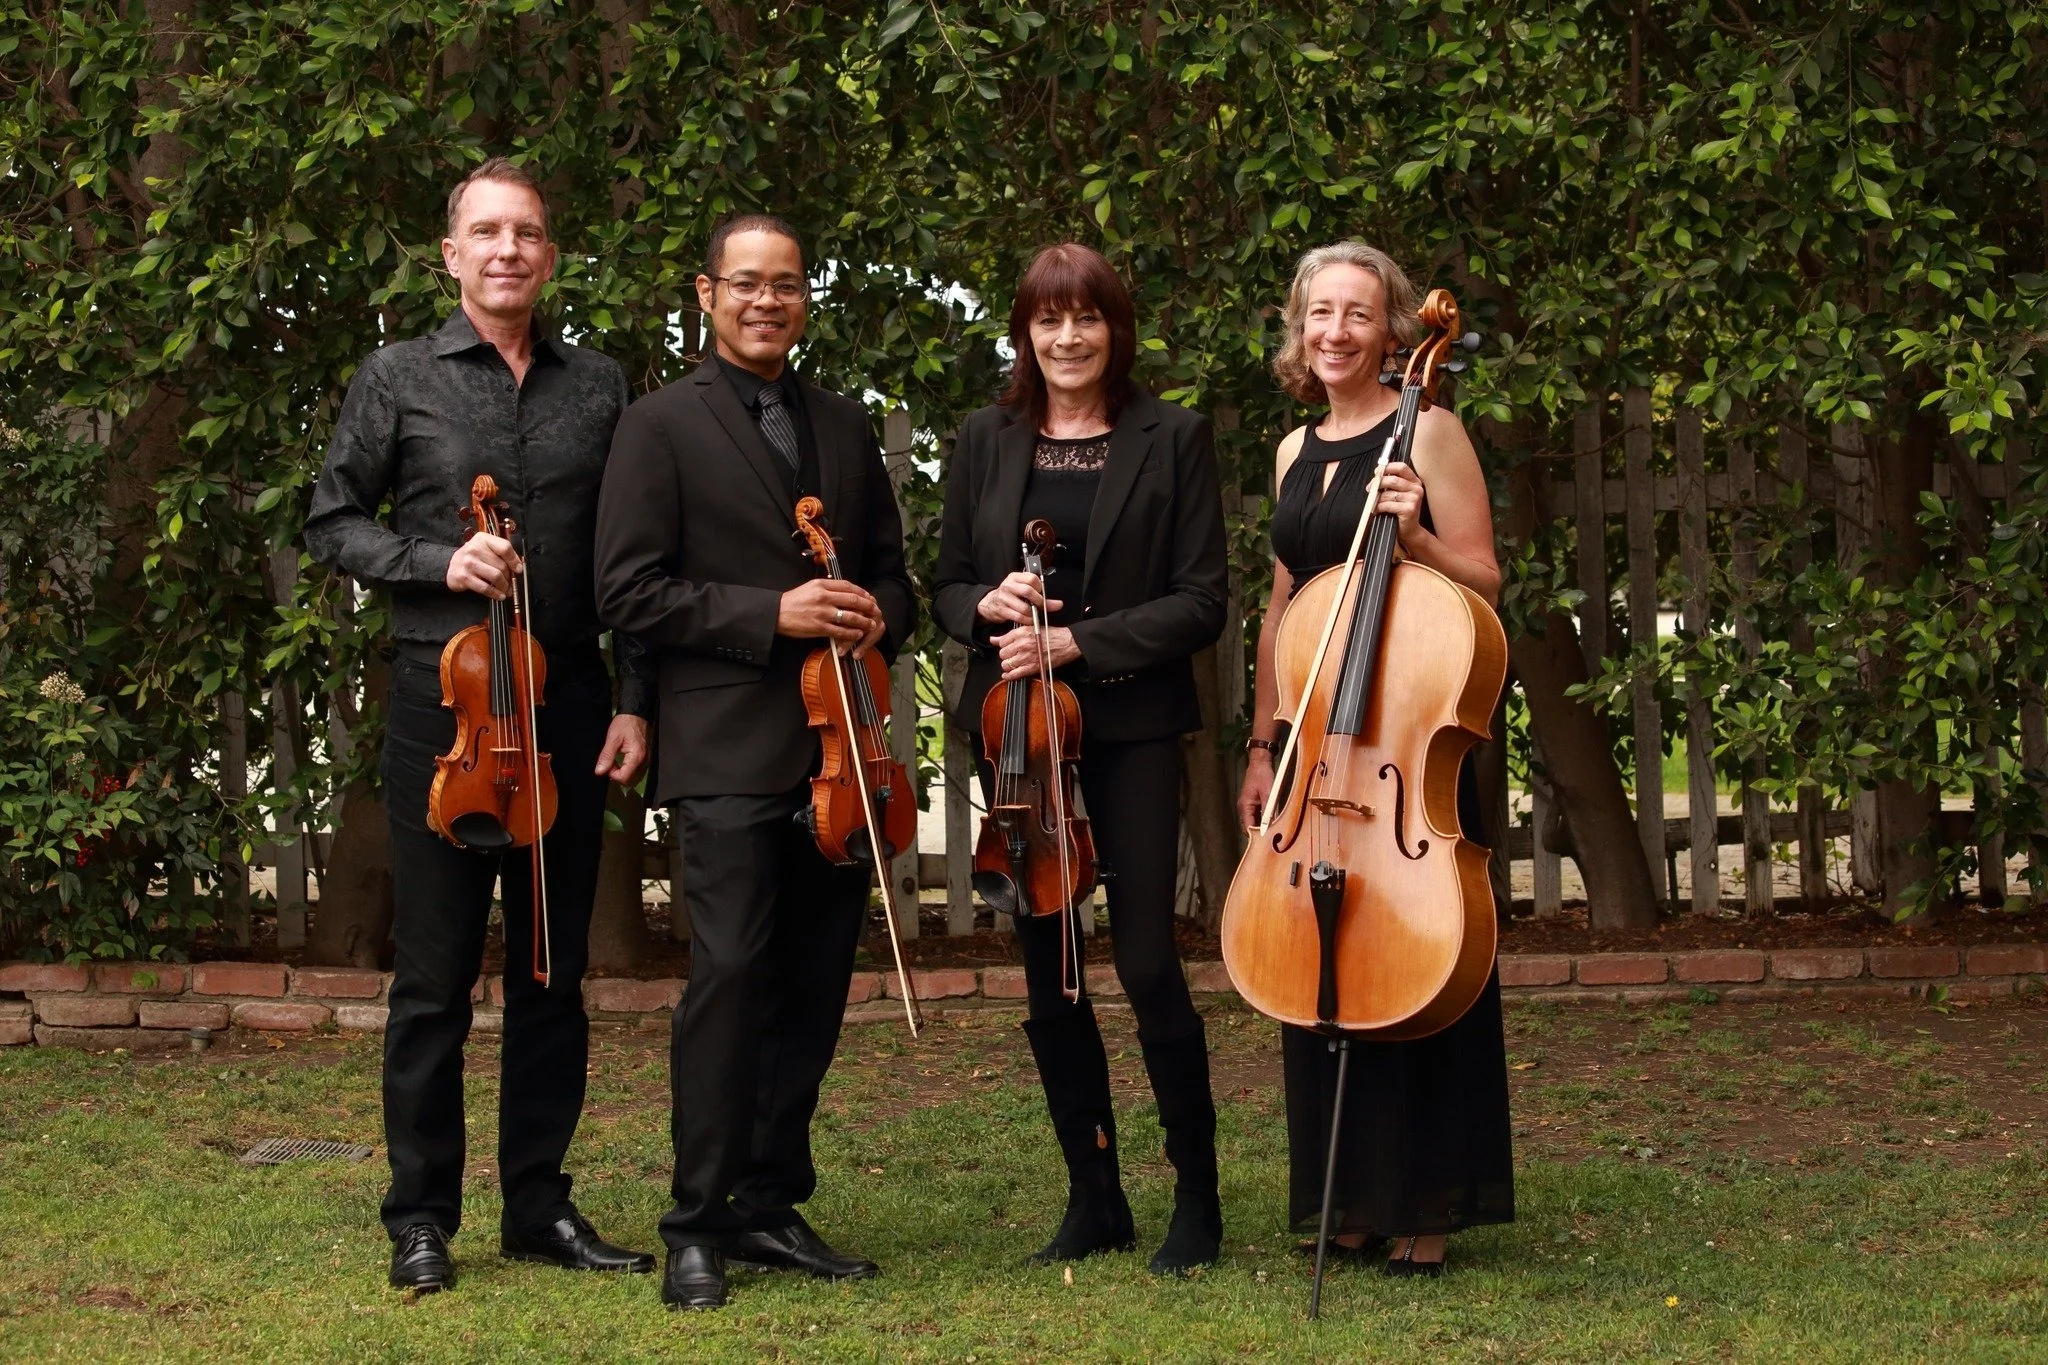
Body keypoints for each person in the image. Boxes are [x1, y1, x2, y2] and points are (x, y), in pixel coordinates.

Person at [305, 157, 656, 1293]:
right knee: (435, 978)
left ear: (549, 256)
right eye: (488, 232)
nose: (509, 249)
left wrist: (635, 698)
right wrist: (436, 560)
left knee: (553, 970)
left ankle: (538, 1207)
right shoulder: (396, 375)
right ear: (451, 254)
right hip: (444, 709)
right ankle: (420, 1216)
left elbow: (632, 559)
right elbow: (332, 521)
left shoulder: (599, 384)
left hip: (567, 706)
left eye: (528, 233)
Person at [593, 214, 917, 1311]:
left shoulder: (842, 422)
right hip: (724, 746)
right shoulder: (656, 425)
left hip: (842, 753)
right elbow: (627, 590)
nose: (765, 301)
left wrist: (875, 613)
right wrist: (768, 613)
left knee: (814, 986)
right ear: (707, 294)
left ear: (804, 297)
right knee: (729, 980)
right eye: (745, 284)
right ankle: (696, 1221)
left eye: (784, 285)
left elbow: (896, 579)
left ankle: (769, 1201)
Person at [932, 243, 1229, 1276]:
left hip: (1131, 725)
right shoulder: (984, 438)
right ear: (1025, 331)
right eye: (1048, 319)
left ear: (1115, 328)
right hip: (1019, 730)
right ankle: (1094, 1196)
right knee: (1048, 967)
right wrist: (984, 603)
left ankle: (1196, 1198)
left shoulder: (1173, 436)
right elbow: (946, 584)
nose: (1067, 337)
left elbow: (1201, 601)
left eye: (1087, 317)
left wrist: (1078, 643)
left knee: (1144, 961)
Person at [1235, 241, 1514, 1277]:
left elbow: (1485, 581)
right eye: (1320, 313)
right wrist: (1264, 742)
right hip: (1320, 745)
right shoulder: (1291, 450)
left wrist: (1418, 538)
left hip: (1407, 728)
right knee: (1318, 958)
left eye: (1357, 313)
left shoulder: (1429, 430)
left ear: (1394, 329)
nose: (1336, 331)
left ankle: (1426, 1206)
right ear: (1298, 328)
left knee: (1417, 951)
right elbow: (1283, 610)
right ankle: (1346, 1200)